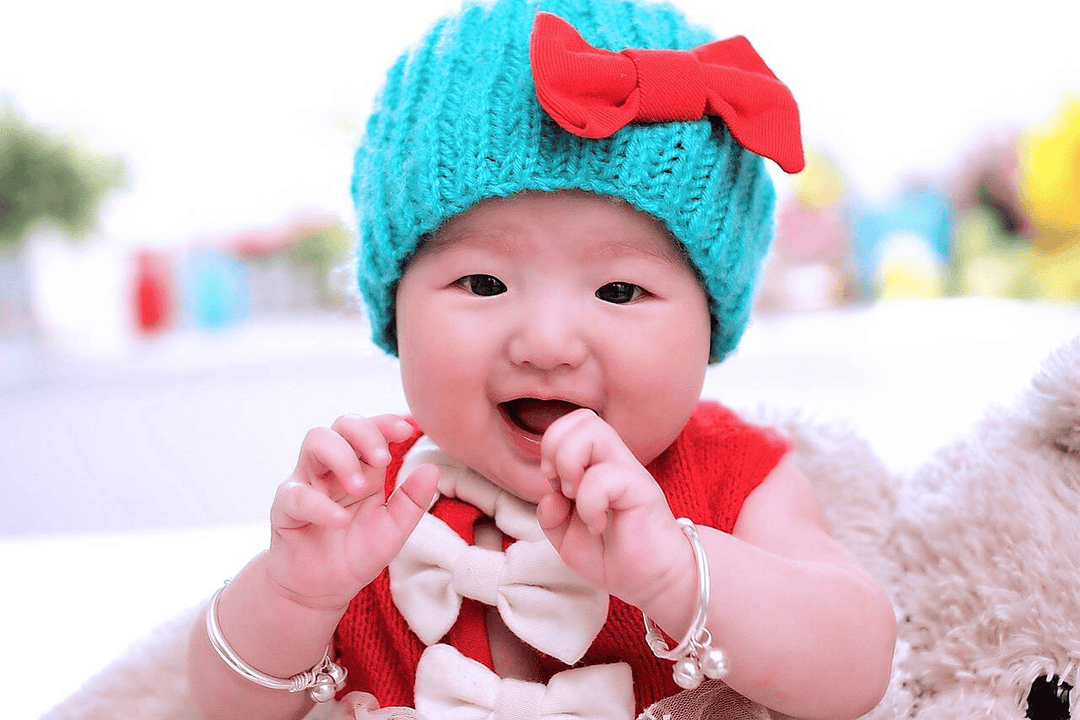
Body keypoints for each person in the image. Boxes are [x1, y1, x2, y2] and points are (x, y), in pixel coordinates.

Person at [188, 1, 896, 719]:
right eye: (483, 283)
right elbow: (217, 708)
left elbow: (858, 667)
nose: (548, 344)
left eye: (619, 290)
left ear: (710, 322)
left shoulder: (734, 478)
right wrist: (294, 594)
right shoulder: (370, 500)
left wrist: (679, 574)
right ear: (394, 308)